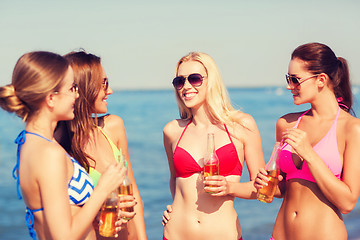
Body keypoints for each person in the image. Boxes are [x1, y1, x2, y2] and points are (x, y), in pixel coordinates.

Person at [0, 51, 128, 239]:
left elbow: (59, 216)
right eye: (72, 89)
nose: (77, 95)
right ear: (51, 98)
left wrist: (95, 217)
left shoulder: (29, 142)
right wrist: (103, 189)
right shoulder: (49, 154)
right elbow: (64, 236)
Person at [255, 42, 360, 240]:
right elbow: (284, 188)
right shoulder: (286, 124)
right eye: (288, 78)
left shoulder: (352, 129)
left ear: (321, 80)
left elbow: (347, 203)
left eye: (295, 79)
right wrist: (266, 185)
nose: (289, 86)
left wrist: (309, 154)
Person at [162, 52, 265, 240]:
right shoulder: (172, 131)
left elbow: (263, 189)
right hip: (175, 234)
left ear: (212, 81)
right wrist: (173, 207)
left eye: (194, 79)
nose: (186, 87)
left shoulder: (242, 125)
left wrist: (229, 188)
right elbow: (175, 181)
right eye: (180, 81)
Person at [55, 50, 147, 240]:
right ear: (84, 87)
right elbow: (63, 222)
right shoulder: (60, 146)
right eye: (103, 84)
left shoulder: (113, 126)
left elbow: (134, 193)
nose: (110, 91)